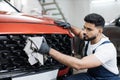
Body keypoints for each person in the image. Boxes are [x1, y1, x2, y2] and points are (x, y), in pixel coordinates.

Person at [38, 13, 120, 80]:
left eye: (89, 29)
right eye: (84, 28)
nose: (85, 32)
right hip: (92, 76)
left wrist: (49, 50)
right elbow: (79, 33)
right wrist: (70, 26)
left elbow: (79, 65)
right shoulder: (90, 37)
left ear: (100, 31)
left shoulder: (106, 48)